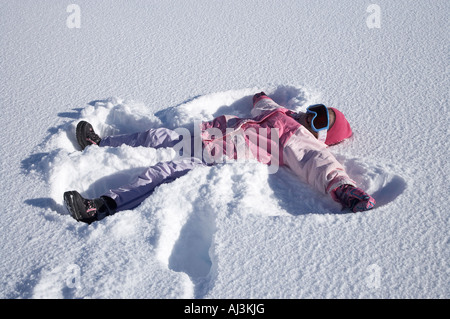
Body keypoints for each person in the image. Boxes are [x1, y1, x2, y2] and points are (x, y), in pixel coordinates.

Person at [64, 92, 375, 224]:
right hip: (205, 136)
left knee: (161, 172)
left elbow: (318, 163)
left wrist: (343, 187)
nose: (311, 118)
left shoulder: (300, 139)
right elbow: (261, 103)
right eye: (315, 111)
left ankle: (100, 206)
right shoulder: (281, 113)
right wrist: (263, 98)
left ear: (322, 137)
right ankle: (100, 144)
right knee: (154, 136)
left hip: (219, 156)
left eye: (321, 122)